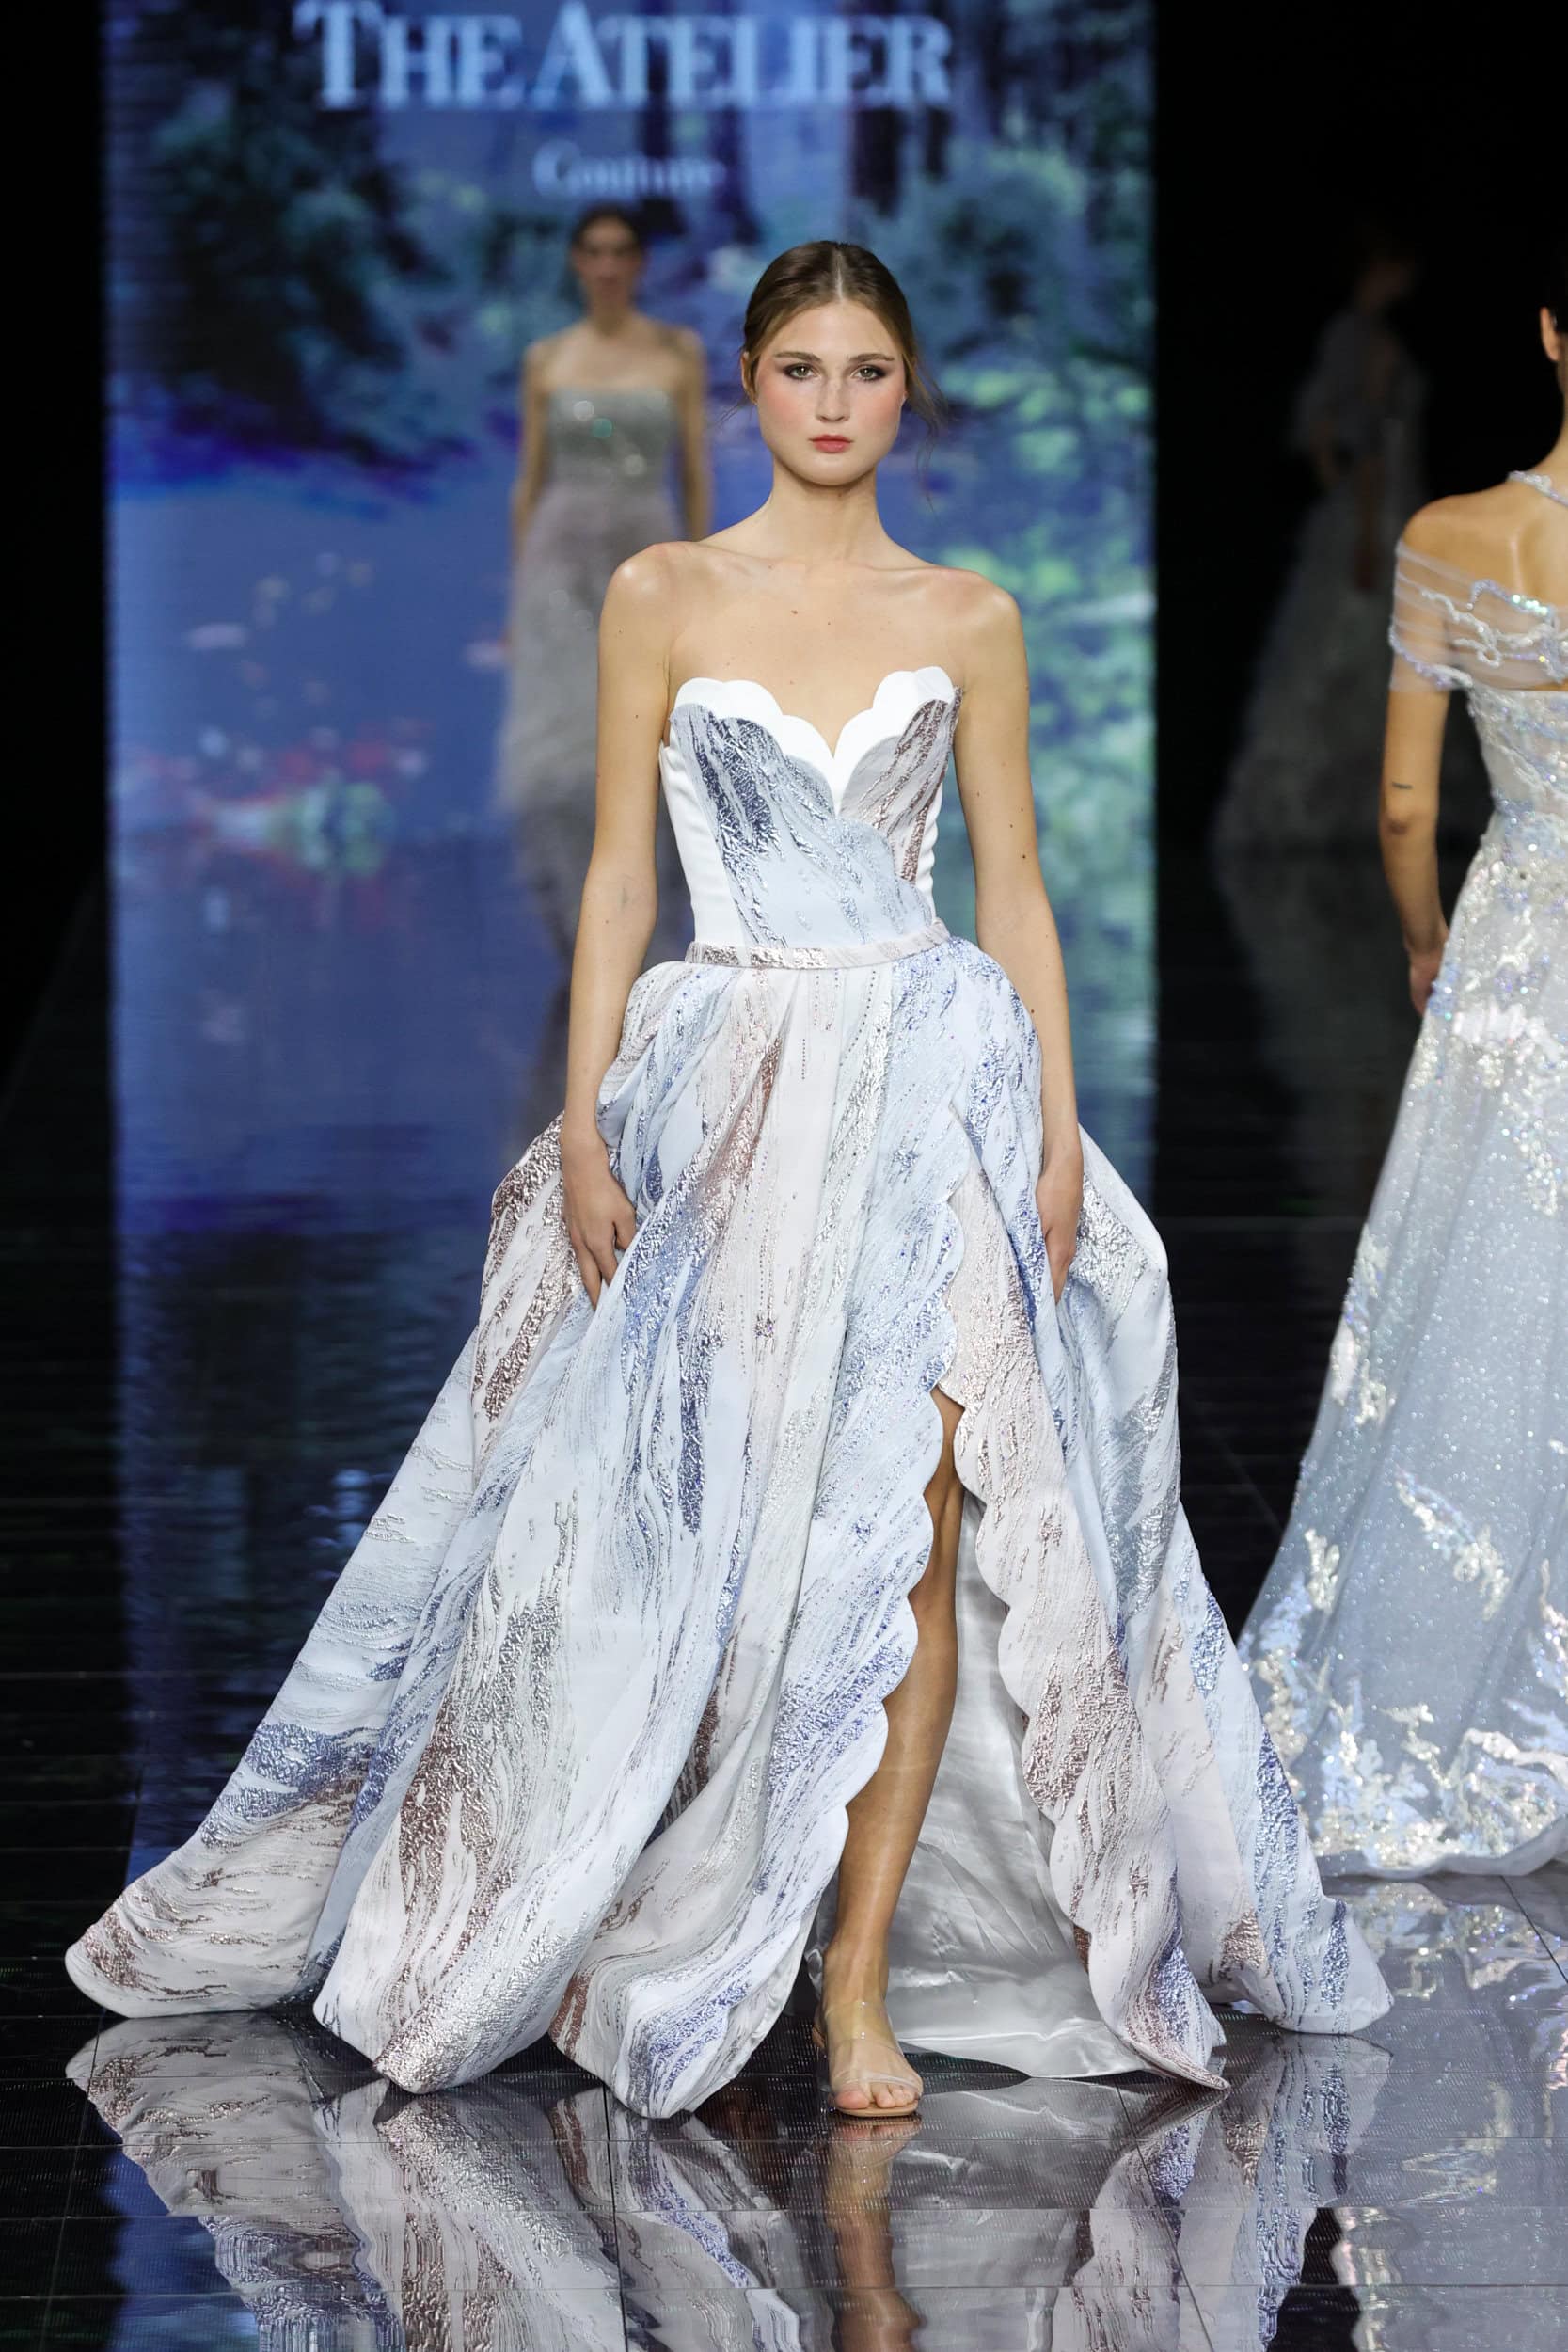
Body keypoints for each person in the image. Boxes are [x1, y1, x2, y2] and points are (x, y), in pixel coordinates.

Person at [67, 243, 1387, 2122]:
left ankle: (853, 1982)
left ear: (905, 389)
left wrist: (1051, 1129)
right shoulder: (661, 592)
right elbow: (622, 871)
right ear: (748, 385)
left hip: (931, 1080)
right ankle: (660, 1894)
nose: (832, 402)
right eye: (797, 367)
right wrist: (586, 1119)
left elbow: (1012, 886)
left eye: (866, 369)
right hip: (734, 1085)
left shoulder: (971, 613)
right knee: (714, 1523)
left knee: (922, 1521)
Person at [1240, 269, 1568, 1876]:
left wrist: (1429, 942)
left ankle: (1455, 1675)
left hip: (1520, 946)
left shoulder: (1449, 536)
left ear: (1548, 332)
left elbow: (1398, 805)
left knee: (1492, 1302)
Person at [497, 205, 709, 962]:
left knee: (654, 733)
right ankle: (572, 923)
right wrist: (519, 596)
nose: (608, 265)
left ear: (639, 263)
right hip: (558, 559)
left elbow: (694, 474)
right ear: (576, 262)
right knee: (560, 743)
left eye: (621, 251)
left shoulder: (676, 354)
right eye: (594, 251)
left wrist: (699, 577)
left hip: (644, 549)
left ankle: (655, 930)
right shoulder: (547, 359)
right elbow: (529, 481)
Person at [1214, 225, 1431, 848]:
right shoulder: (1365, 340)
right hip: (1375, 513)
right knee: (1358, 655)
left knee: (1349, 654)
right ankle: (1337, 810)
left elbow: (1323, 432)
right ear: (1381, 267)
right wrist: (1361, 519)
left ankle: (1338, 808)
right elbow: (1358, 436)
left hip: (1368, 506)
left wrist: (1337, 488)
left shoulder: (1350, 336)